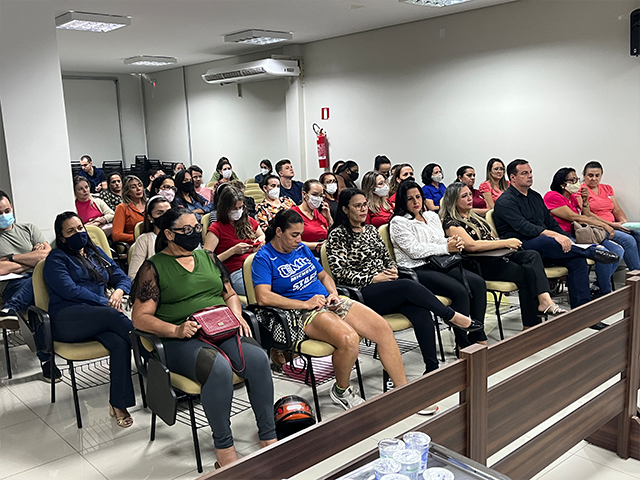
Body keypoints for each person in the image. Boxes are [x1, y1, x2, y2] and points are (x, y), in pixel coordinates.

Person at [131, 207, 276, 466]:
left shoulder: (208, 257)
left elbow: (229, 294)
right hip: (181, 339)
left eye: (197, 228)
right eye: (186, 230)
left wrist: (237, 315)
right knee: (217, 368)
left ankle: (268, 435)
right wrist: (176, 330)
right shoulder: (153, 268)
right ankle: (224, 448)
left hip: (220, 326)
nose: (194, 233)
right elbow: (140, 317)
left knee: (258, 360)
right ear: (169, 234)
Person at [252, 209, 407, 409]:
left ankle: (404, 390)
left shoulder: (301, 249)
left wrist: (333, 293)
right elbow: (263, 297)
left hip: (326, 301)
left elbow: (324, 276)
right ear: (279, 231)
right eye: (294, 235)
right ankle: (341, 390)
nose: (299, 240)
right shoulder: (263, 258)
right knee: (349, 339)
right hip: (302, 312)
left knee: (382, 328)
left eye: (301, 234)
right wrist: (305, 304)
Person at [327, 188, 479, 374]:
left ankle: (432, 369)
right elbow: (340, 273)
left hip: (387, 287)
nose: (363, 209)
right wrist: (373, 278)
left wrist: (391, 269)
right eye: (357, 206)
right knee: (408, 285)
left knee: (421, 311)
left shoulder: (371, 230)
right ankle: (451, 316)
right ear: (345, 209)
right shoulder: (337, 235)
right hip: (362, 292)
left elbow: (387, 258)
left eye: (365, 205)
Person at [493, 160, 618, 326]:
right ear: (512, 178)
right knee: (546, 240)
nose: (530, 176)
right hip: (521, 247)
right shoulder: (505, 201)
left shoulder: (535, 197)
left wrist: (563, 237)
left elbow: (550, 222)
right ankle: (591, 251)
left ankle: (583, 315)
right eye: (524, 173)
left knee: (577, 260)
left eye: (530, 172)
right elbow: (524, 227)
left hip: (546, 247)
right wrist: (554, 235)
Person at [44, 212, 134, 427]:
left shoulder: (95, 253)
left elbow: (121, 276)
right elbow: (70, 290)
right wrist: (106, 302)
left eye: (80, 228)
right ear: (62, 237)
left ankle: (119, 403)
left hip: (99, 316)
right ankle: (151, 350)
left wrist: (119, 291)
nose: (78, 233)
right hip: (67, 318)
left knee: (120, 343)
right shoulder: (56, 259)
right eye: (70, 231)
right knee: (113, 315)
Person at [441, 182, 567, 328]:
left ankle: (544, 300)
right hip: (478, 263)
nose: (470, 198)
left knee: (532, 255)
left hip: (496, 255)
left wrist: (503, 245)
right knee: (527, 274)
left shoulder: (475, 217)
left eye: (470, 194)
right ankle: (531, 324)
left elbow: (492, 238)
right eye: (464, 196)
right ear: (453, 200)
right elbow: (472, 246)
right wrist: (505, 243)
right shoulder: (451, 223)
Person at [390, 180, 488, 350]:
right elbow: (414, 250)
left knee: (478, 283)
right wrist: (446, 247)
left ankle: (477, 333)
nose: (416, 202)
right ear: (402, 201)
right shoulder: (399, 222)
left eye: (418, 197)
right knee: (459, 291)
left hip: (439, 262)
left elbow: (438, 240)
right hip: (417, 268)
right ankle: (462, 342)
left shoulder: (431, 216)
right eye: (410, 199)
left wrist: (452, 241)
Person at [0, 191, 58, 380]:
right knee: (35, 307)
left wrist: (11, 258)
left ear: (12, 207)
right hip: (12, 285)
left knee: (41, 289)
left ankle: (11, 308)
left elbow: (46, 255)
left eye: (6, 210)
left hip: (39, 278)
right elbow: (1, 269)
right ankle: (47, 360)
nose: (4, 216)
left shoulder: (28, 229)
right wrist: (32, 259)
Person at [544, 167, 625, 296]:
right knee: (603, 253)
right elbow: (574, 217)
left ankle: (598, 287)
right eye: (572, 180)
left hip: (581, 234)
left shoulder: (572, 197)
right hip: (565, 235)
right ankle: (605, 292)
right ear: (562, 183)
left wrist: (585, 201)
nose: (576, 183)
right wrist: (604, 225)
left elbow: (585, 215)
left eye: (577, 179)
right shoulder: (552, 196)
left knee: (618, 250)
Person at [580, 161, 640, 273]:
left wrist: (624, 222)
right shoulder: (582, 190)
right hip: (597, 228)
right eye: (590, 175)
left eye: (597, 175)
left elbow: (616, 209)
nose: (594, 178)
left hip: (614, 225)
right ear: (584, 175)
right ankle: (636, 275)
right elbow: (586, 213)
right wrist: (613, 225)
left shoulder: (607, 188)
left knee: (637, 234)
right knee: (629, 240)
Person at [204, 186, 264, 295]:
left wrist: (260, 241)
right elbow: (206, 261)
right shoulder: (216, 228)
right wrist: (233, 251)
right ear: (225, 208)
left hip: (257, 265)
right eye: (234, 209)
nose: (238, 211)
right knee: (263, 290)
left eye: (240, 207)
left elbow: (262, 235)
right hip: (237, 272)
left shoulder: (247, 221)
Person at [128, 196, 171, 280]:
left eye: (168, 212)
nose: (166, 216)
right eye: (160, 213)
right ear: (150, 217)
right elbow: (133, 275)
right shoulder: (144, 240)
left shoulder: (180, 235)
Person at [291, 180, 332, 255]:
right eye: (315, 194)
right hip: (303, 254)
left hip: (323, 253)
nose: (318, 198)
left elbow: (331, 234)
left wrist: (328, 218)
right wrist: (317, 245)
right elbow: (292, 241)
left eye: (321, 196)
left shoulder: (319, 214)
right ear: (304, 194)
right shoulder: (293, 214)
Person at [113, 175, 147, 245]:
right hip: (135, 244)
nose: (138, 189)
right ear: (127, 191)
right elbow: (116, 235)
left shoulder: (150, 204)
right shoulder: (122, 207)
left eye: (140, 185)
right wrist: (138, 237)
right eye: (133, 187)